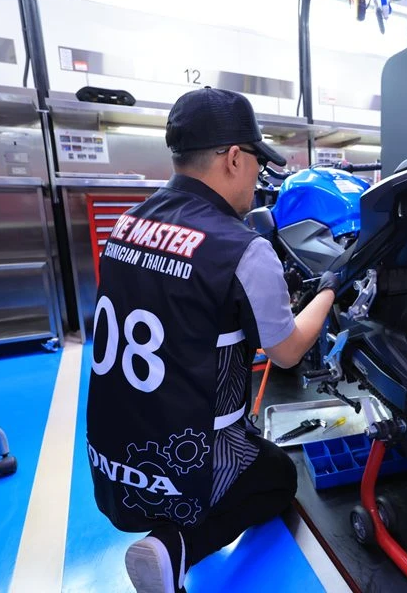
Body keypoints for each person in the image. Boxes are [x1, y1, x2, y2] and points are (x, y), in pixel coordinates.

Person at [85, 86, 340, 593]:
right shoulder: (242, 248)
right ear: (233, 158)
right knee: (278, 477)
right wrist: (331, 288)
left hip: (111, 466)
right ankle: (175, 546)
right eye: (257, 165)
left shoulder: (125, 225)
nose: (257, 179)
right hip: (185, 472)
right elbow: (288, 352)